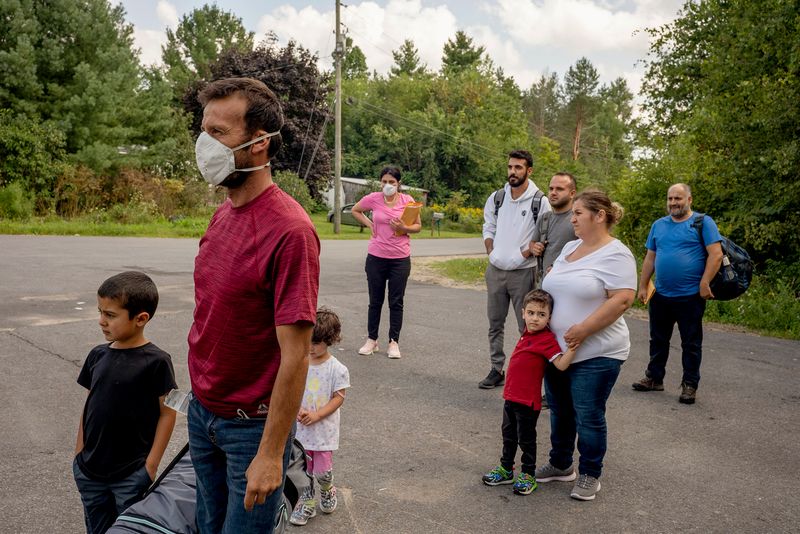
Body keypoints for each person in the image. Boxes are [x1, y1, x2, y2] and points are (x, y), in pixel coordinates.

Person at [188, 77, 320, 533]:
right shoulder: (224, 211)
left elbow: (297, 354)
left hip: (251, 430)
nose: (205, 144)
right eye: (204, 130)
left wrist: (269, 453)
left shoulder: (291, 232)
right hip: (202, 413)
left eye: (220, 133)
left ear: (260, 145)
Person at [536, 189, 637, 501]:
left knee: (588, 414)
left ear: (600, 216)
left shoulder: (616, 253)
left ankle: (590, 473)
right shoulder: (570, 246)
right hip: (557, 351)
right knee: (560, 411)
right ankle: (561, 464)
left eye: (579, 212)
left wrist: (582, 330)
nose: (573, 217)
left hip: (598, 351)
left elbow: (622, 299)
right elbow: (553, 284)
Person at [73, 271, 177, 534]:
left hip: (131, 475)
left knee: (129, 529)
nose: (101, 321)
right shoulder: (97, 355)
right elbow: (90, 404)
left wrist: (150, 466)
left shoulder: (157, 361)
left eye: (110, 315)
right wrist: (79, 453)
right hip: (90, 471)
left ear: (141, 318)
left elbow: (168, 413)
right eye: (100, 312)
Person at [632, 183, 723, 404]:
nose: (673, 203)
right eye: (670, 198)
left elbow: (716, 255)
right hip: (661, 294)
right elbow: (650, 258)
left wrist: (705, 282)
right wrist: (643, 285)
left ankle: (689, 385)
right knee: (658, 340)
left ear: (689, 200)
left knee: (691, 343)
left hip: (690, 295)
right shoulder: (659, 225)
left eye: (678, 199)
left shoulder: (703, 222)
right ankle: (654, 378)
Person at [481, 290, 578, 496]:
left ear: (549, 318)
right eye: (531, 313)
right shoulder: (526, 332)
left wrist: (572, 349)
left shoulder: (546, 339)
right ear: (523, 313)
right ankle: (506, 469)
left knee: (526, 440)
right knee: (508, 436)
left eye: (541, 315)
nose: (535, 318)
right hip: (510, 397)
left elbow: (560, 365)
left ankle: (527, 474)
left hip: (527, 402)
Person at [480, 149, 551, 389]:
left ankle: (526, 374)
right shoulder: (497, 197)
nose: (513, 172)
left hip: (524, 272)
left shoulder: (540, 201)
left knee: (528, 325)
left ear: (529, 171)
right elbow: (488, 226)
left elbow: (544, 236)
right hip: (495, 271)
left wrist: (526, 251)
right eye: (510, 167)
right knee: (495, 323)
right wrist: (492, 251)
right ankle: (496, 369)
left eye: (518, 167)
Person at [351, 166, 421, 359]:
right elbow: (356, 210)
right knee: (375, 301)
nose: (388, 185)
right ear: (380, 182)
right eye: (384, 182)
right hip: (376, 258)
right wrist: (370, 224)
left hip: (399, 259)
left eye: (392, 182)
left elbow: (417, 226)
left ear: (399, 184)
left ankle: (393, 342)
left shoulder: (408, 201)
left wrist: (403, 226)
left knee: (396, 302)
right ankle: (371, 340)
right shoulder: (373, 198)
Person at [290, 308, 351, 526]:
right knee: (302, 470)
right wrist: (296, 408)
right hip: (301, 428)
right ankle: (306, 502)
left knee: (322, 470)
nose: (310, 347)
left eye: (315, 343)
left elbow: (338, 398)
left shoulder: (337, 369)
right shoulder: (300, 363)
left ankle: (327, 489)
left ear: (330, 340)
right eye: (307, 341)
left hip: (323, 429)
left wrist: (317, 415)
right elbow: (292, 388)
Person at [530, 172, 578, 282]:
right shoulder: (544, 218)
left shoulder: (578, 219)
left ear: (572, 193)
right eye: (551, 189)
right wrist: (535, 248)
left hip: (570, 284)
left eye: (559, 189)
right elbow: (532, 243)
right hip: (545, 285)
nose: (553, 193)